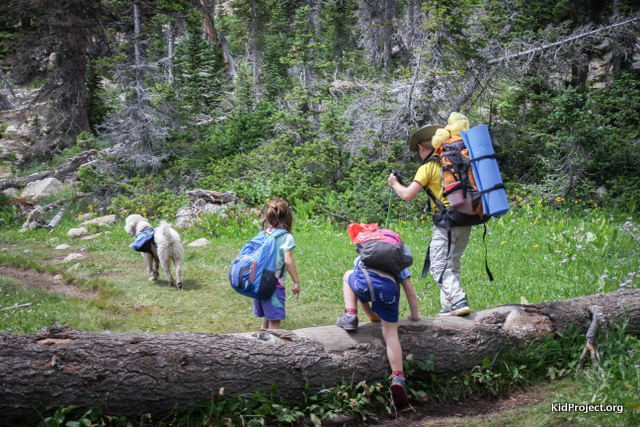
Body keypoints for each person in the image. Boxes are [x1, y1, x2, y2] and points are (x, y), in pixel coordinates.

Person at [387, 114, 473, 316]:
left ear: (421, 148)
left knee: (438, 266)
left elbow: (407, 195)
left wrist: (394, 184)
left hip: (446, 224)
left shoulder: (428, 167)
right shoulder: (456, 161)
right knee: (452, 264)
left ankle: (458, 299)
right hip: (466, 219)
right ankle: (450, 306)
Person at [336, 255, 421, 406]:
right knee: (390, 334)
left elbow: (361, 293)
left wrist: (371, 316)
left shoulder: (362, 257)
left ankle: (350, 315)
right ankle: (398, 377)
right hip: (388, 292)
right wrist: (414, 315)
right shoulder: (397, 261)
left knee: (348, 275)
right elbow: (410, 290)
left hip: (363, 285)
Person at [254, 200, 301, 330]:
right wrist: (296, 282)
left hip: (259, 282)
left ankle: (258, 343)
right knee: (274, 321)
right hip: (273, 285)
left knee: (266, 317)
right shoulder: (286, 237)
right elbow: (288, 261)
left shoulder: (262, 234)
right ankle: (271, 348)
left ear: (267, 218)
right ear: (287, 217)